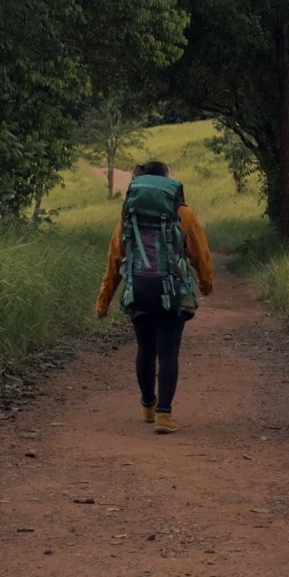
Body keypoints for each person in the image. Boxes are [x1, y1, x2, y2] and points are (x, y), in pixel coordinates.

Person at [95, 161, 214, 434]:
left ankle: (148, 405)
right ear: (168, 182)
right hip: (173, 293)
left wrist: (103, 301)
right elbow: (200, 254)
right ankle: (164, 414)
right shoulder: (182, 212)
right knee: (168, 351)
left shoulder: (129, 214)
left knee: (145, 349)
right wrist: (206, 284)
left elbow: (115, 258)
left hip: (139, 290)